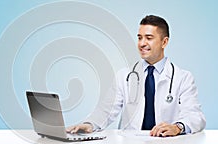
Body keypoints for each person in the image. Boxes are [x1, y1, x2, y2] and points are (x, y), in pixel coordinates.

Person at [66, 15, 206, 137]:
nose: (142, 43)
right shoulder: (125, 76)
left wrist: (177, 127)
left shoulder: (183, 78)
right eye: (140, 38)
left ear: (164, 42)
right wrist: (89, 124)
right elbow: (105, 111)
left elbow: (195, 117)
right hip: (130, 142)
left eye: (149, 38)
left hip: (165, 142)